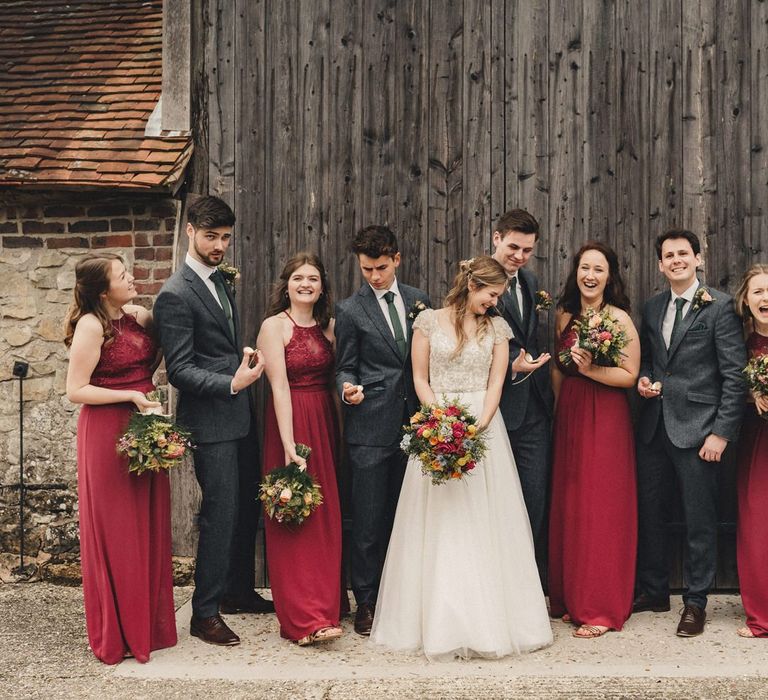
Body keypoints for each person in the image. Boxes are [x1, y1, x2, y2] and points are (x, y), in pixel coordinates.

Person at [370, 256, 553, 660]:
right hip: (437, 423)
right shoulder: (429, 323)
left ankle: (491, 620)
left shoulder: (498, 329)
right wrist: (439, 423)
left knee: (484, 521)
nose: (495, 301)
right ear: (472, 285)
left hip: (482, 431)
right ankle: (435, 619)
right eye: (492, 293)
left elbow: (496, 383)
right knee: (439, 522)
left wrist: (477, 426)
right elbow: (419, 377)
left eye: (500, 295)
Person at [154, 196, 272, 647]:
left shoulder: (222, 279)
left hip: (239, 414)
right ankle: (204, 613)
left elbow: (216, 348)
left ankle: (237, 591)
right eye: (211, 237)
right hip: (211, 419)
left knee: (244, 506)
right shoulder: (175, 294)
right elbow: (179, 370)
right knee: (219, 514)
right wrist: (232, 382)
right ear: (189, 232)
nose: (220, 245)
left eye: (225, 237)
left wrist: (240, 360)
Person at [634, 229, 747, 637]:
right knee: (650, 512)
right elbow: (649, 361)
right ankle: (653, 589)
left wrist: (721, 434)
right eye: (669, 255)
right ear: (660, 264)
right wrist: (644, 381)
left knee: (699, 518)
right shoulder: (651, 308)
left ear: (698, 259)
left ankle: (696, 602)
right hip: (653, 427)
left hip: (699, 432)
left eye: (684, 253)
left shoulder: (718, 307)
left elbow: (734, 376)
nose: (677, 260)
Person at [65, 253, 176, 664]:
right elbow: (75, 389)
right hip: (107, 431)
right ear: (102, 289)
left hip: (144, 426)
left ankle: (146, 625)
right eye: (122, 275)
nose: (131, 278)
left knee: (146, 522)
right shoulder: (91, 326)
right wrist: (130, 394)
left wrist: (144, 394)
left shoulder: (139, 316)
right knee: (118, 530)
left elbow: (156, 356)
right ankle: (118, 631)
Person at [335, 225, 431, 636]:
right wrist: (347, 389)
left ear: (397, 259)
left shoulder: (420, 302)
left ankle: (406, 599)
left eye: (381, 267)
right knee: (370, 522)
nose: (374, 276)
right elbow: (345, 365)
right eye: (366, 269)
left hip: (416, 427)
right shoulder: (350, 309)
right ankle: (368, 603)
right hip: (370, 426)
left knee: (408, 517)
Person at [548, 242, 640, 638]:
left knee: (601, 504)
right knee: (573, 502)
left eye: (599, 269)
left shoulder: (618, 318)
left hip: (606, 415)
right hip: (571, 413)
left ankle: (601, 606)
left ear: (610, 276)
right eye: (585, 267)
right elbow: (557, 366)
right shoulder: (565, 315)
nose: (590, 275)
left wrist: (588, 374)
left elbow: (630, 375)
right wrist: (560, 407)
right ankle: (573, 596)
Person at [257, 252, 344, 646]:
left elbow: (340, 376)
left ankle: (326, 608)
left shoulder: (329, 327)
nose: (305, 284)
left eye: (313, 278)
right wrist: (289, 443)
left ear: (322, 285)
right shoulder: (274, 327)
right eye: (298, 278)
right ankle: (301, 619)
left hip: (325, 421)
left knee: (325, 515)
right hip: (290, 423)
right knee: (295, 513)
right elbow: (278, 386)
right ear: (286, 284)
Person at [491, 209, 553, 568]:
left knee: (533, 499)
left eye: (527, 250)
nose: (519, 256)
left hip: (536, 412)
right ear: (496, 238)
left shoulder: (530, 284)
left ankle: (524, 581)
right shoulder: (476, 280)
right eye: (514, 246)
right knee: (495, 502)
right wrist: (512, 361)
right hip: (496, 409)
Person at [733, 264, 768, 639]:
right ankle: (761, 614)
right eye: (758, 291)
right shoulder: (739, 342)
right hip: (757, 441)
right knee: (757, 521)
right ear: (746, 300)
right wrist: (750, 392)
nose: (765, 298)